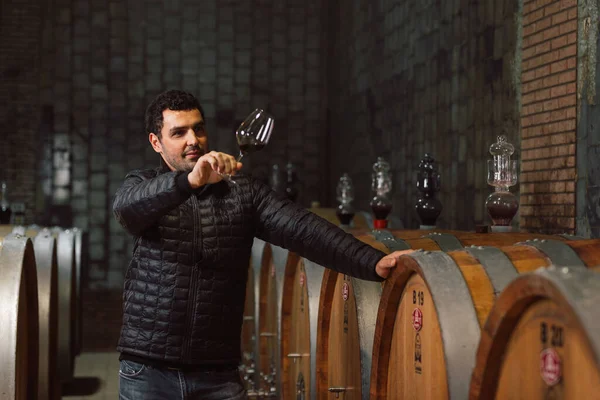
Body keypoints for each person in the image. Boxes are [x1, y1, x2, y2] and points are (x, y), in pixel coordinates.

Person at [112, 89, 412, 400]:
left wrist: (372, 262)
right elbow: (127, 209)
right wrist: (189, 182)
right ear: (156, 142)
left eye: (198, 129)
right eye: (179, 132)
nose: (193, 140)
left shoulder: (243, 193)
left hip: (217, 375)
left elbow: (306, 230)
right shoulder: (142, 186)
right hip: (148, 372)